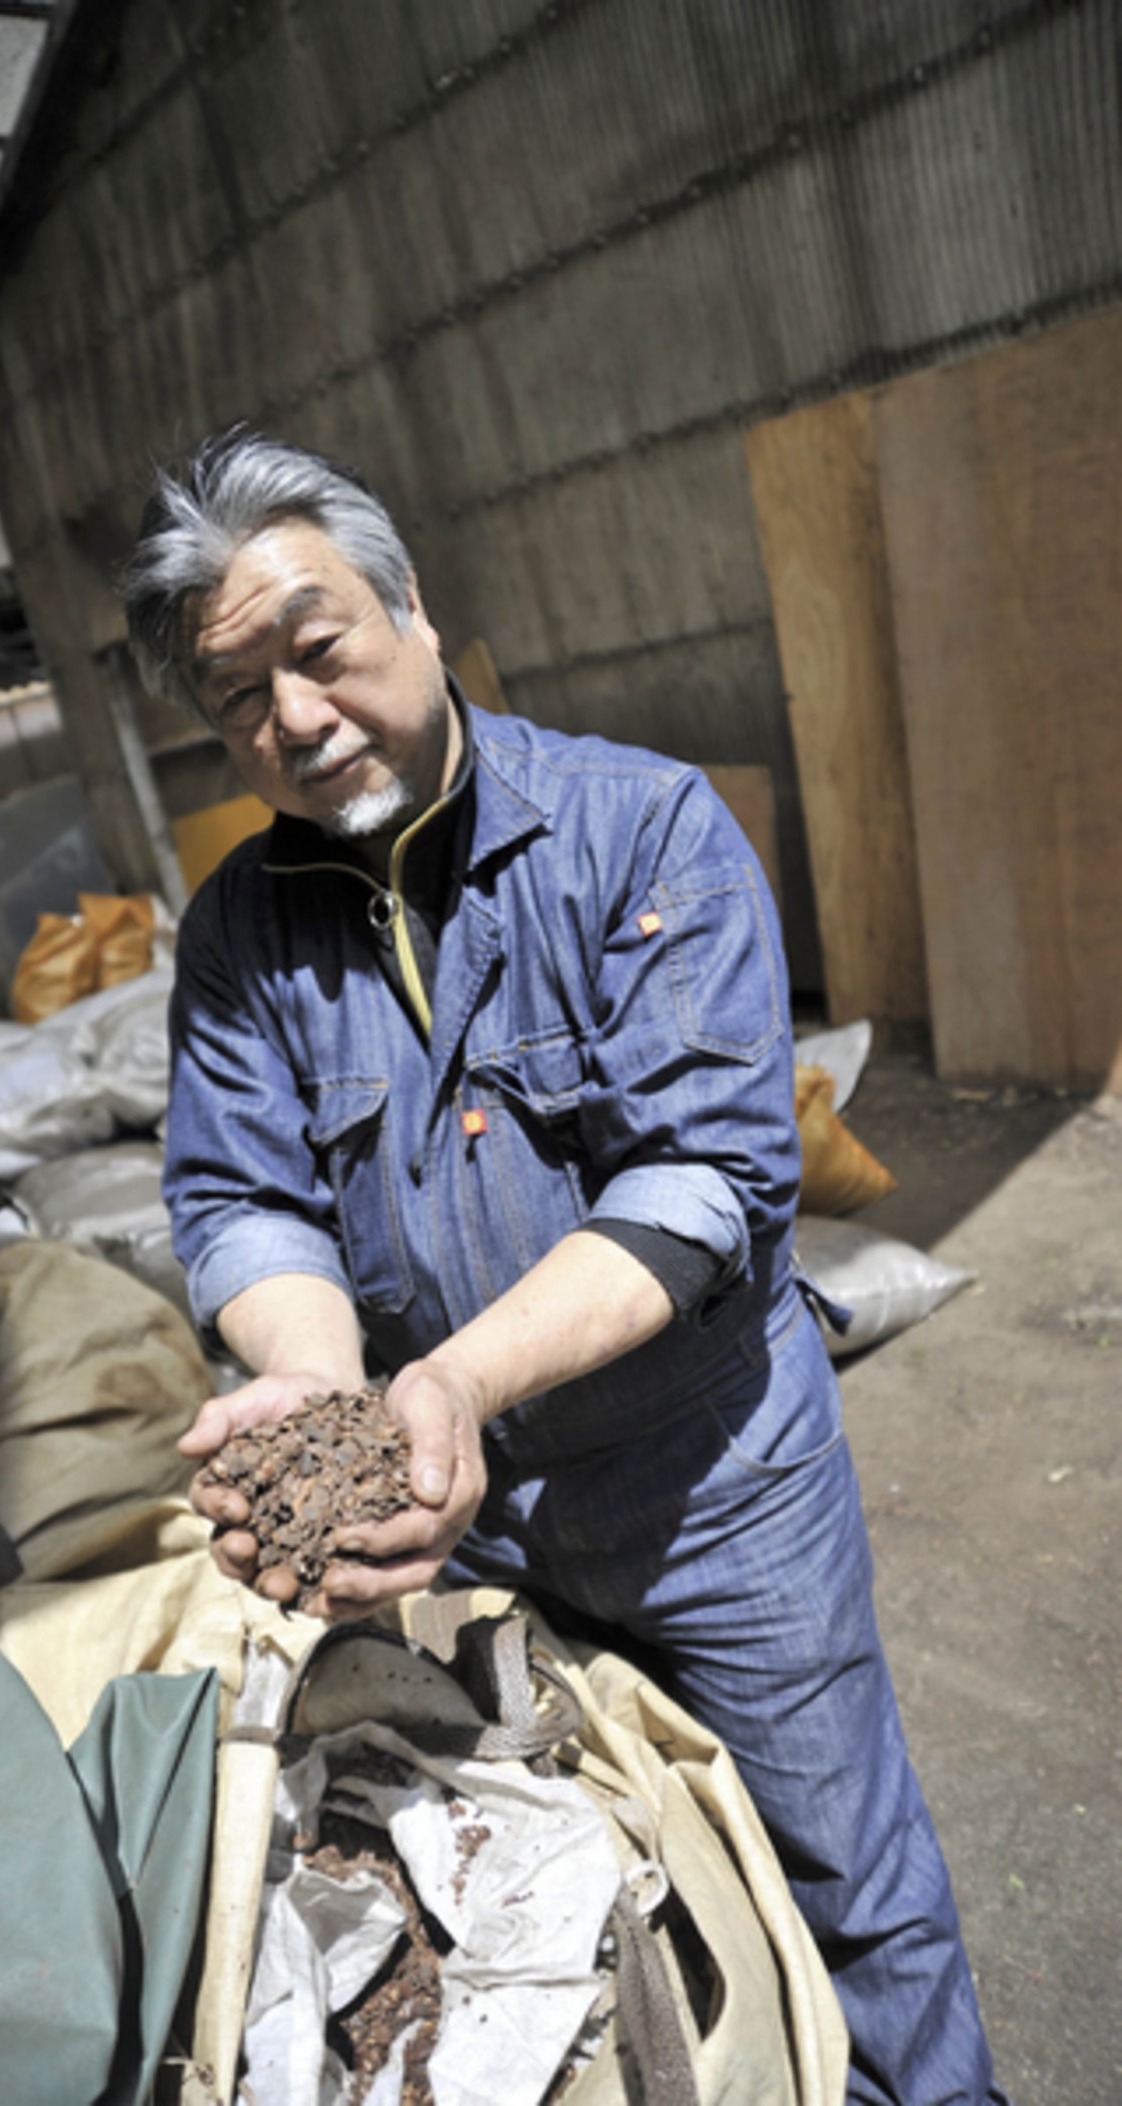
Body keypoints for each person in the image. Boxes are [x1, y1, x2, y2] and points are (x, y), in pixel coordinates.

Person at [122, 427, 1008, 2106]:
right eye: (238, 700)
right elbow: (244, 1200)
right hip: (477, 1521)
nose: (292, 721)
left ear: (415, 609)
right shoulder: (240, 926)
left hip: (713, 1493)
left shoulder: (643, 832)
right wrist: (321, 1387)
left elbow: (704, 1179)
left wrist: (449, 1380)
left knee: (852, 1890)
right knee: (611, 1890)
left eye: (318, 651)